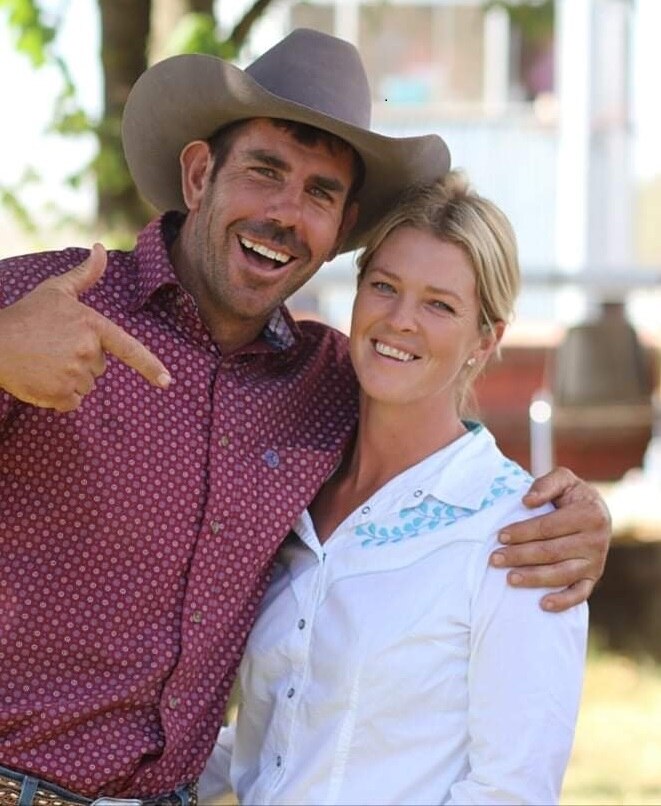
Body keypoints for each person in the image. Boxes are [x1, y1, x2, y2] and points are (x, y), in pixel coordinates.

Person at [0, 28, 607, 806]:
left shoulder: (328, 382)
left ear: (341, 228)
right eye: (265, 171)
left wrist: (576, 515)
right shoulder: (40, 306)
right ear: (198, 174)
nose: (286, 213)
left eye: (320, 193)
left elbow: (431, 426)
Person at [198, 173, 589, 805]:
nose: (400, 320)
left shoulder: (523, 535)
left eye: (440, 305)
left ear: (486, 338)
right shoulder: (295, 493)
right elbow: (278, 747)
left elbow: (511, 792)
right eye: (384, 286)